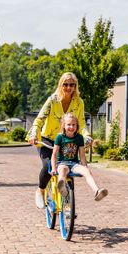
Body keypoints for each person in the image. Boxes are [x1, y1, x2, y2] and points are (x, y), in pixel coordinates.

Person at [27, 72, 93, 208]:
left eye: (72, 85)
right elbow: (40, 119)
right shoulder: (52, 100)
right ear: (61, 85)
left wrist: (87, 136)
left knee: (69, 166)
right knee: (48, 167)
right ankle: (41, 190)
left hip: (67, 140)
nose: (69, 87)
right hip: (48, 139)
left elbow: (80, 123)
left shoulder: (79, 102)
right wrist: (34, 134)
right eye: (65, 84)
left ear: (75, 86)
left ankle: (66, 198)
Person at [51, 113, 108, 200]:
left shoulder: (79, 138)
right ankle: (62, 187)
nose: (71, 127)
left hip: (74, 164)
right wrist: (54, 168)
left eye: (73, 124)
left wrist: (85, 166)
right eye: (68, 124)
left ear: (77, 125)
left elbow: (82, 155)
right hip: (62, 163)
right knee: (62, 170)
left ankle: (97, 191)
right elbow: (54, 154)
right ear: (63, 125)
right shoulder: (59, 137)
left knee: (86, 172)